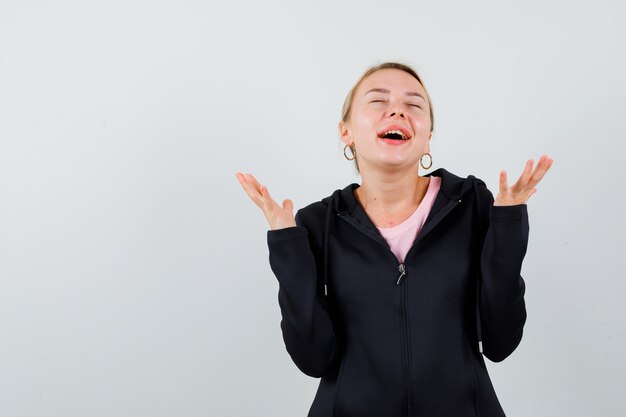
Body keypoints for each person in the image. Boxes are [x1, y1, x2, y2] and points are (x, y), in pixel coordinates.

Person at [235, 62, 553, 417]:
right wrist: (287, 246)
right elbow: (313, 358)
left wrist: (507, 226)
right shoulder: (316, 223)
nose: (398, 109)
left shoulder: (471, 204)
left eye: (414, 104)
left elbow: (500, 342)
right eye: (377, 100)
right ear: (346, 132)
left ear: (428, 134)